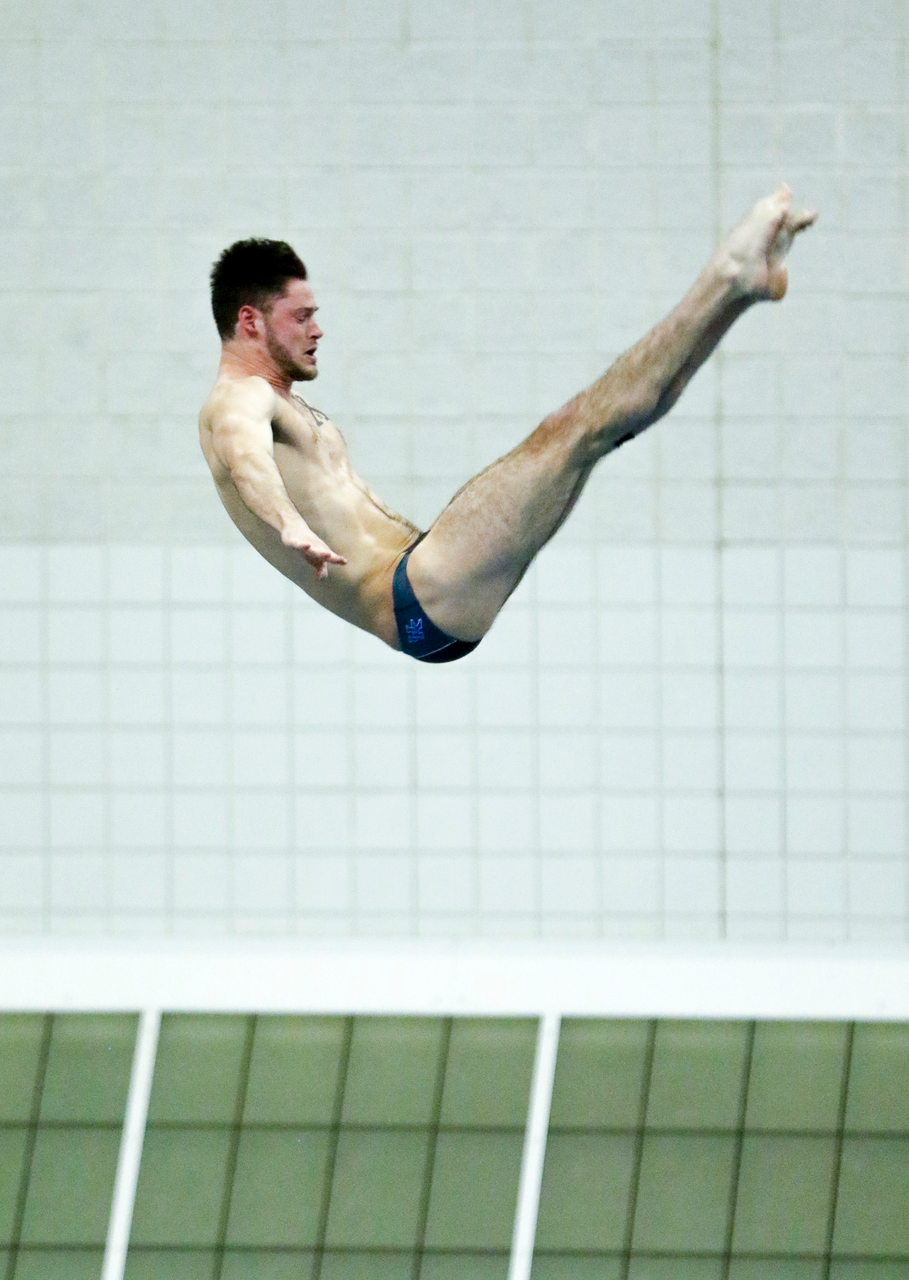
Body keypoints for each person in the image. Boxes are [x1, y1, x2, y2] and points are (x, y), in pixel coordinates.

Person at [199, 185, 816, 663]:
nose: (318, 330)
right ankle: (727, 275)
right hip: (416, 596)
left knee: (594, 436)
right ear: (250, 321)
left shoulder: (286, 402)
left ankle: (740, 291)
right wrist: (288, 523)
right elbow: (244, 453)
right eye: (301, 317)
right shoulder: (235, 401)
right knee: (576, 428)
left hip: (426, 587)